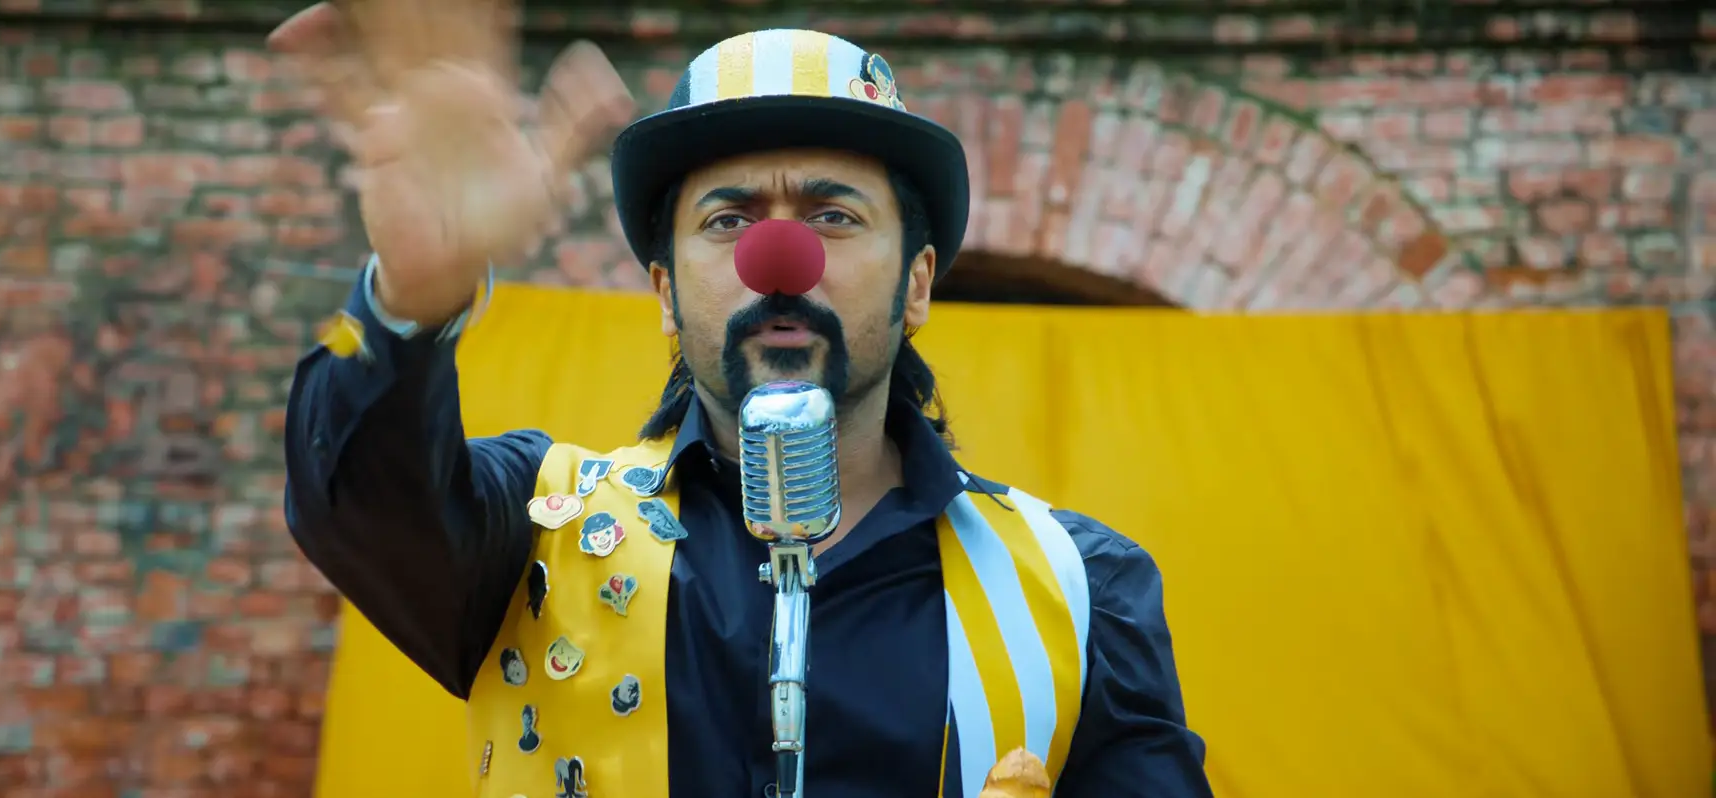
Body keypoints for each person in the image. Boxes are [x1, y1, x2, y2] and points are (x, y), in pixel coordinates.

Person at [271, 2, 1212, 796]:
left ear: (918, 283)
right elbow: (355, 503)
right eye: (728, 220)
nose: (779, 259)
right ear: (666, 292)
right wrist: (408, 302)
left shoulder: (1079, 589)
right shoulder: (530, 532)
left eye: (833, 215)